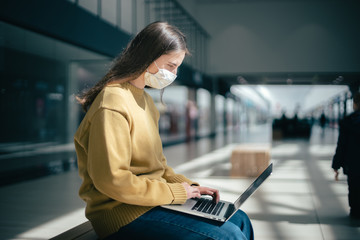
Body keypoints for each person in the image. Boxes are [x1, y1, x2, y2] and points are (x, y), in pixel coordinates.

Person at [74, 21, 254, 239]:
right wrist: (176, 193)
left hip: (149, 203)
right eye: (171, 65)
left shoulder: (147, 103)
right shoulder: (112, 102)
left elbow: (159, 168)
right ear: (148, 56)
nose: (174, 73)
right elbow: (113, 180)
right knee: (229, 236)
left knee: (239, 218)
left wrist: (190, 188)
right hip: (121, 214)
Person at [332, 92, 360, 219]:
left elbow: (341, 145)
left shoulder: (347, 122)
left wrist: (336, 165)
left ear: (354, 104)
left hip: (353, 163)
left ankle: (355, 211)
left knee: (353, 188)